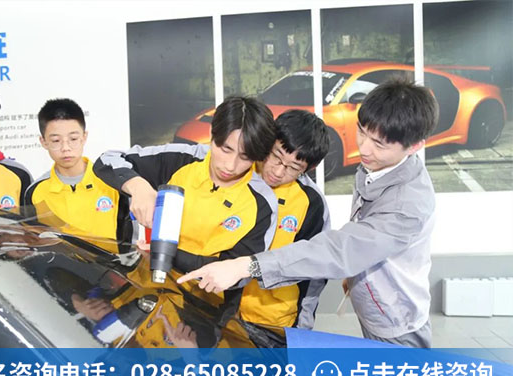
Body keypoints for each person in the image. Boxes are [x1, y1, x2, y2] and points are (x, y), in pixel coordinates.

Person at [179, 77, 439, 348]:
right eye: (362, 131)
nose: (363, 148)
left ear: (415, 146)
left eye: (379, 144)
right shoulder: (377, 165)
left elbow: (341, 250)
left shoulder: (407, 205)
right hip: (370, 302)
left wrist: (247, 265)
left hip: (397, 320)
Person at [93, 96, 278, 311]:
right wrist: (138, 187)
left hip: (207, 309)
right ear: (213, 134)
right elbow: (107, 160)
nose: (231, 165)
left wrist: (166, 253)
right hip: (145, 294)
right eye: (225, 149)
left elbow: (237, 272)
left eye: (245, 157)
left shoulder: (262, 203)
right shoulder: (181, 159)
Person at [239, 109, 330, 329]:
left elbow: (315, 274)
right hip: (217, 310)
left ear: (309, 168)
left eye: (293, 168)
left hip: (272, 323)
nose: (278, 172)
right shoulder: (236, 171)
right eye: (276, 156)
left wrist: (303, 329)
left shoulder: (311, 202)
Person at [24, 98, 131, 241]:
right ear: (43, 142)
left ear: (84, 137)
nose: (65, 148)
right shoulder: (35, 192)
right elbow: (34, 241)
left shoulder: (113, 181)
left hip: (109, 257)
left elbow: (129, 237)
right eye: (56, 141)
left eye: (73, 139)